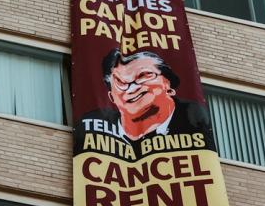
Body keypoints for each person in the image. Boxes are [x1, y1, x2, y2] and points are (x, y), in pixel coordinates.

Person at [74, 49, 214, 158]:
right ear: (112, 97)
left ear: (168, 83)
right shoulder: (89, 127)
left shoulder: (195, 120)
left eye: (144, 75)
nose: (132, 88)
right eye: (121, 83)